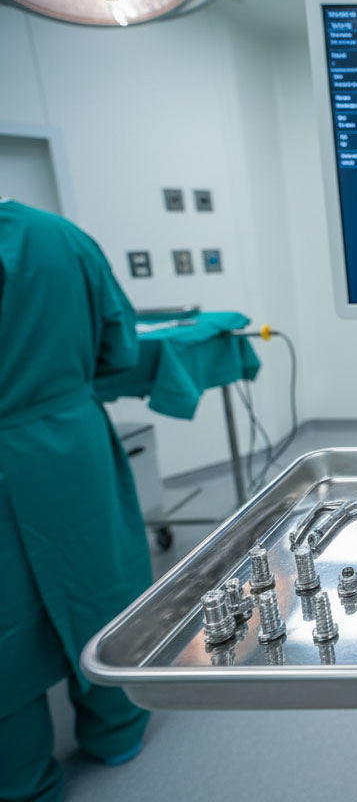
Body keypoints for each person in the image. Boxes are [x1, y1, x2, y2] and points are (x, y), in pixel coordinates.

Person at [0, 198, 153, 800]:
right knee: (100, 586)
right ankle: (116, 731)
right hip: (69, 445)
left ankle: (20, 779)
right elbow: (119, 351)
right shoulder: (57, 237)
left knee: (7, 623)